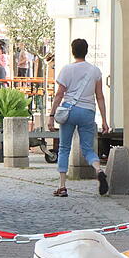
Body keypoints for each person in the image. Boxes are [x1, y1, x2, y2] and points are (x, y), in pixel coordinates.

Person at [47, 38, 110, 197]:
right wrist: (104, 120)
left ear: (72, 51)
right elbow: (100, 97)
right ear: (86, 51)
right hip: (88, 112)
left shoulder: (67, 69)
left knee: (64, 148)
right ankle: (99, 170)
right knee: (88, 148)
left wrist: (51, 116)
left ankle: (62, 186)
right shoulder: (95, 71)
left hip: (69, 111)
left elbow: (59, 94)